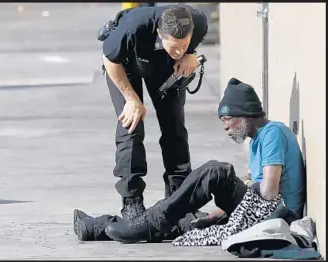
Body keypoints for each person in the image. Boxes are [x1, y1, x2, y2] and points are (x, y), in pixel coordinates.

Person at [74, 78, 306, 245]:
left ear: (244, 114)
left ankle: (145, 223)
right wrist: (213, 217)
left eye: (227, 119)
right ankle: (98, 227)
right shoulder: (257, 140)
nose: (225, 126)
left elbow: (268, 191)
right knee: (187, 221)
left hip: (273, 214)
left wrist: (245, 186)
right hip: (260, 210)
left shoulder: (272, 133)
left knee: (217, 172)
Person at [101, 5, 208, 221]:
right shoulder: (134, 26)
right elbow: (110, 59)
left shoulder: (198, 22)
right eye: (174, 45)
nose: (178, 50)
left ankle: (179, 200)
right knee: (131, 125)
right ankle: (132, 202)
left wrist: (190, 55)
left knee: (174, 125)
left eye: (184, 44)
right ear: (160, 33)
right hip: (125, 63)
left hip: (163, 65)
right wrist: (132, 99)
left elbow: (184, 51)